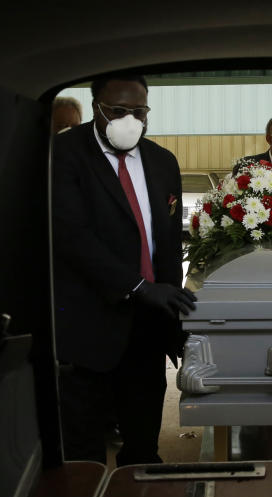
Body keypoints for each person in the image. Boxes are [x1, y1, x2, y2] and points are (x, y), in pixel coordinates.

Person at [52, 73, 196, 465]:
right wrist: (137, 286)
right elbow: (71, 237)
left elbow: (165, 245)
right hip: (88, 329)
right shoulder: (64, 154)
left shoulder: (162, 161)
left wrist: (172, 317)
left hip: (147, 328)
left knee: (143, 449)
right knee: (83, 455)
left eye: (139, 111)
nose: (129, 120)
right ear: (96, 106)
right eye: (117, 111)